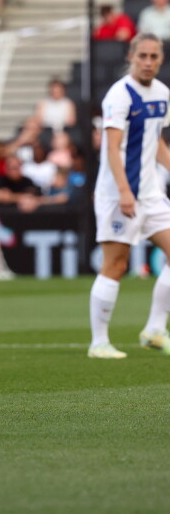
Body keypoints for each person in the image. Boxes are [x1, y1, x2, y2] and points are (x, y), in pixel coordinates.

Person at [88, 33, 170, 359]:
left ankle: (154, 329)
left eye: (154, 57)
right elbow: (111, 147)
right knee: (115, 265)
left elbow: (157, 144)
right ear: (131, 56)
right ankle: (98, 342)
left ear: (161, 59)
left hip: (152, 194)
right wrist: (124, 191)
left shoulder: (163, 94)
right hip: (118, 194)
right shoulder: (119, 96)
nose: (148, 62)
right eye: (143, 56)